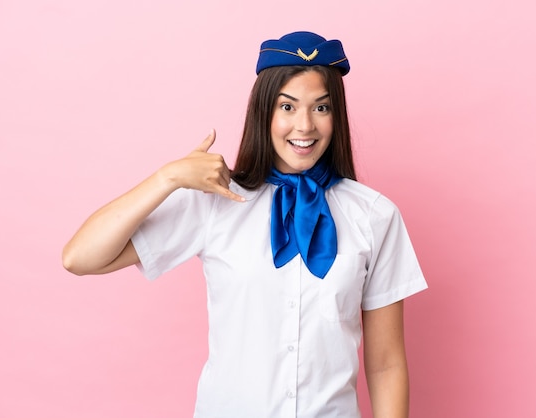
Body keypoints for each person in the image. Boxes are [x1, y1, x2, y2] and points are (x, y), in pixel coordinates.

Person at [63, 31, 427, 418]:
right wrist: (166, 178)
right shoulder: (213, 201)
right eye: (287, 107)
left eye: (321, 108)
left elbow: (386, 363)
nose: (304, 126)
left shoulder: (375, 215)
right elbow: (80, 257)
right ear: (263, 111)